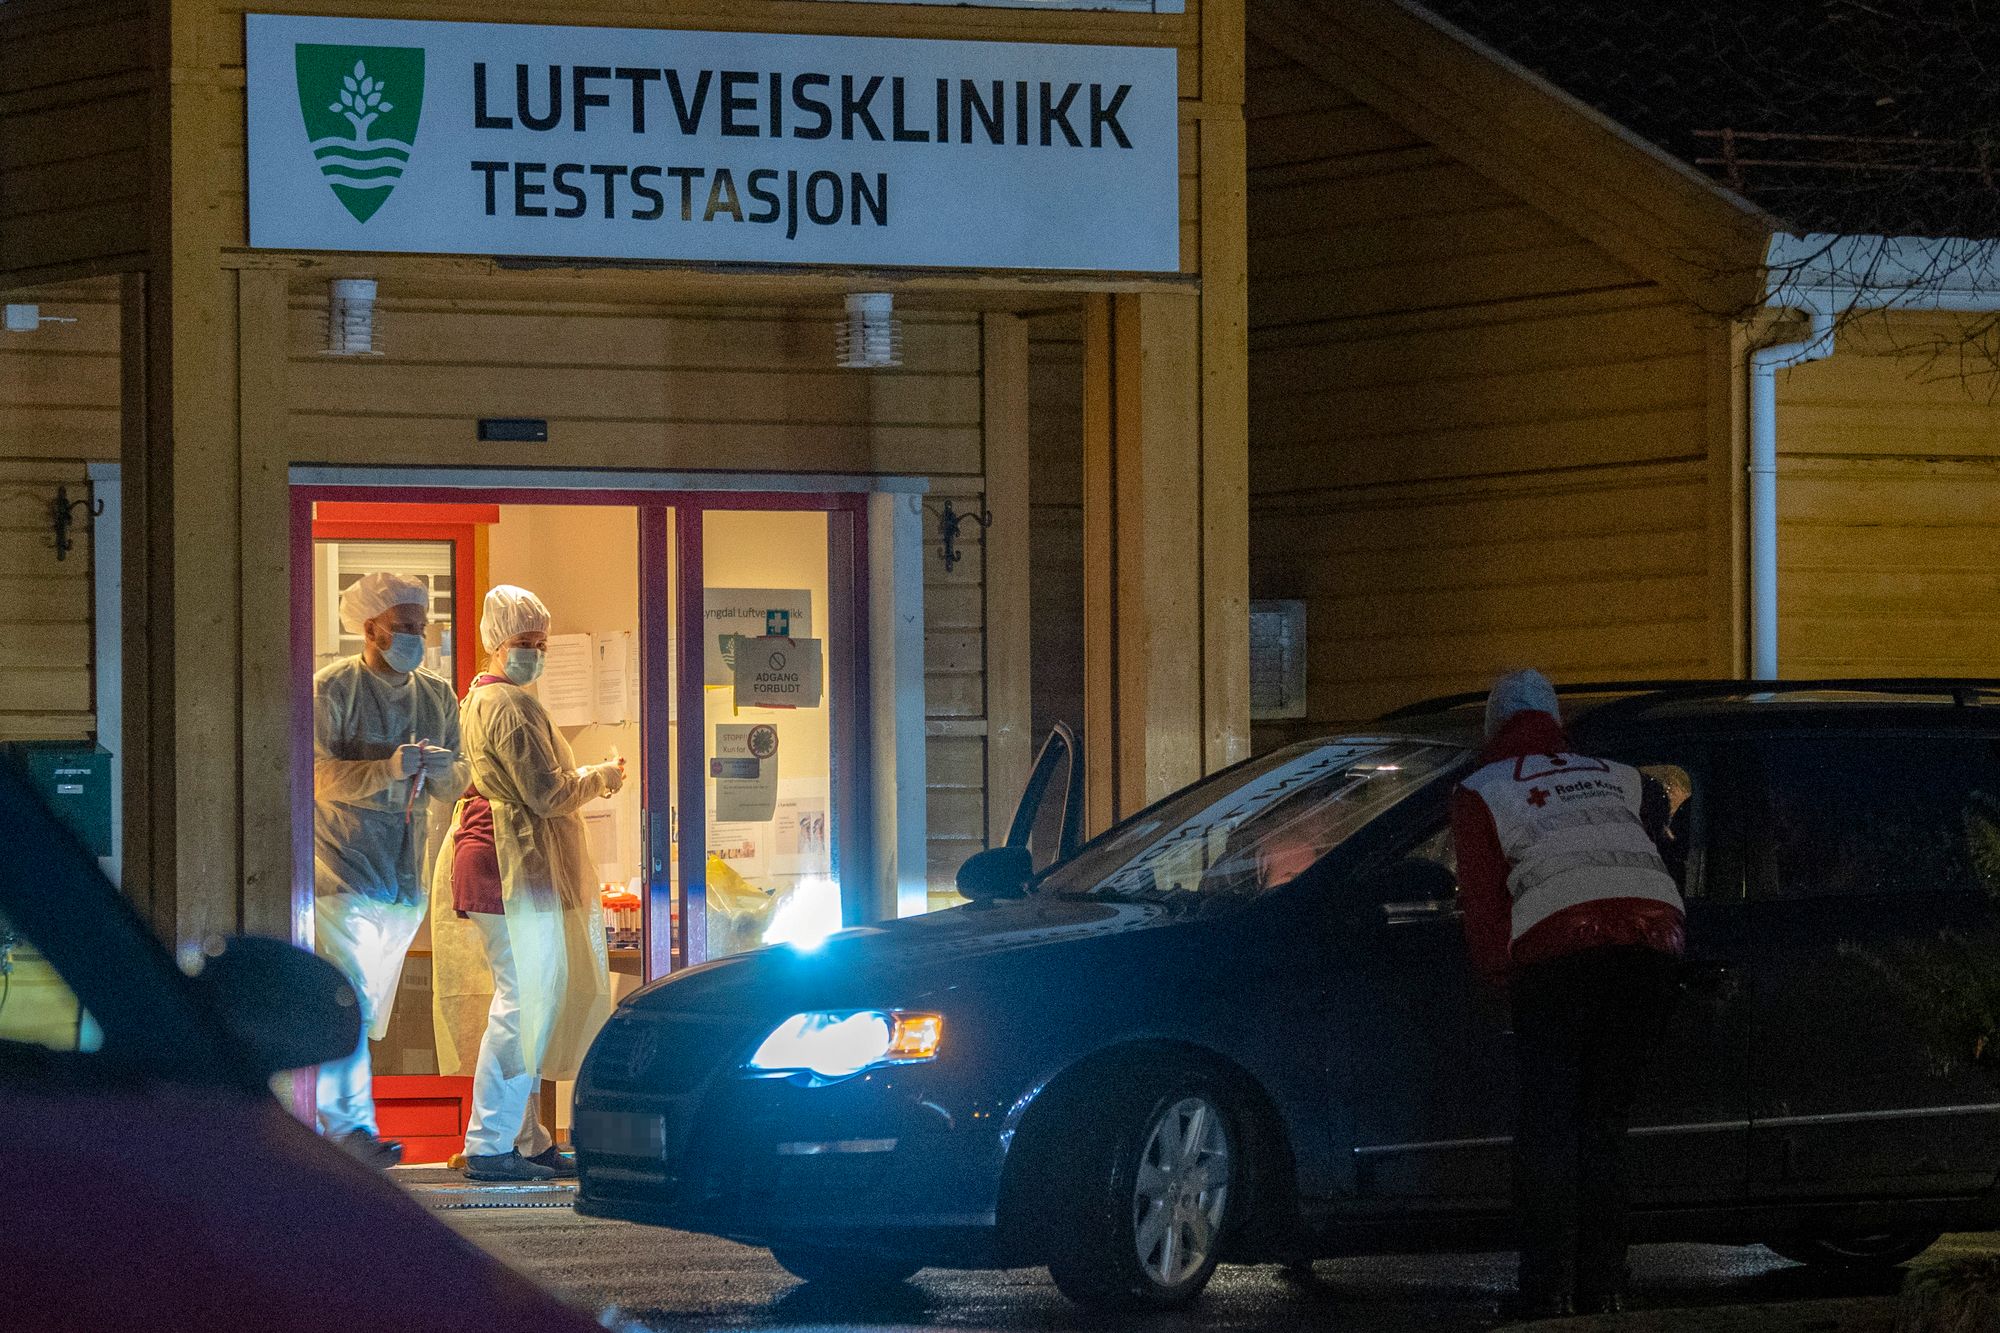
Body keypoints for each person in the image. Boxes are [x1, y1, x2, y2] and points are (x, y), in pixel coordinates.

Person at [1450, 669, 1685, 1319]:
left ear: (1493, 726)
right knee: (1604, 1123)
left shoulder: (1482, 788)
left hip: (1561, 949)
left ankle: (1545, 1287)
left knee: (1549, 1124)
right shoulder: (1620, 776)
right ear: (1556, 721)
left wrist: (1501, 980)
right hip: (1652, 943)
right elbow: (1654, 839)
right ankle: (1604, 1284)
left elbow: (1484, 905)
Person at [431, 586, 620, 1183]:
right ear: (497, 642)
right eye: (524, 641)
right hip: (507, 864)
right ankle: (490, 1144)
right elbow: (548, 793)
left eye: (541, 643)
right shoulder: (509, 706)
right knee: (524, 1003)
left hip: (496, 861)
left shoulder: (479, 698)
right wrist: (601, 777)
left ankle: (528, 1138)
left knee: (526, 1001)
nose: (534, 653)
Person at [313, 571, 463, 1168]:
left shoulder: (438, 696)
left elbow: (459, 780)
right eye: (404, 627)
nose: (415, 638)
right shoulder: (332, 689)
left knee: (366, 1005)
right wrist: (386, 769)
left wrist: (446, 772)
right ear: (370, 627)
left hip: (402, 876)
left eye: (421, 627)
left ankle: (336, 1125)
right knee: (345, 997)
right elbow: (314, 774)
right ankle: (348, 1130)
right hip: (339, 867)